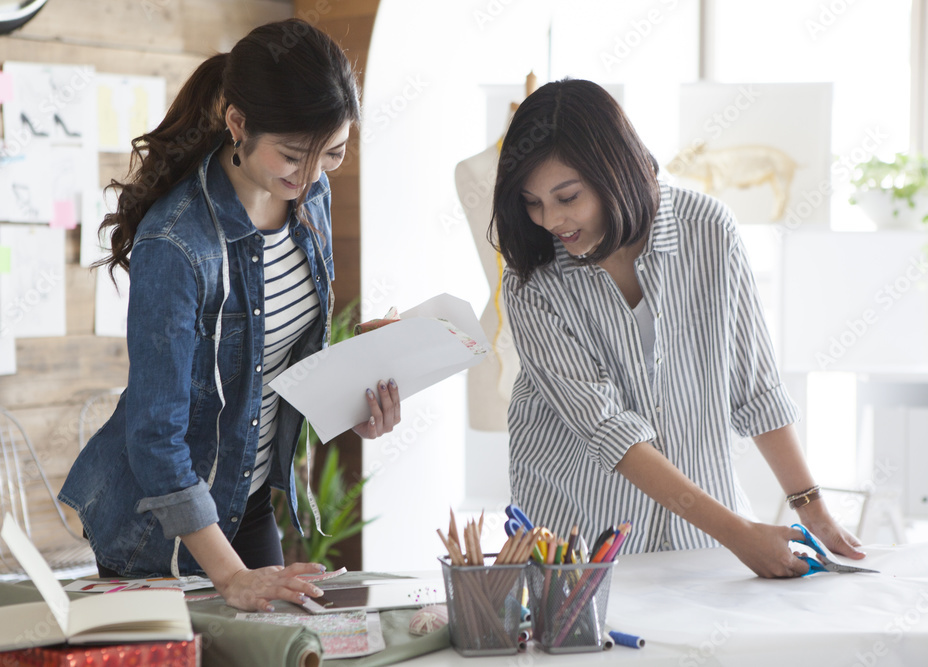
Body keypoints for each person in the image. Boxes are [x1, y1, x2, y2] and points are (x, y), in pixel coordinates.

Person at [59, 19, 400, 611]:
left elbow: (273, 360)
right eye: (294, 155)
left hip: (245, 503)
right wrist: (233, 577)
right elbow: (154, 437)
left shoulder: (307, 196)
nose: (313, 175)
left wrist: (355, 393)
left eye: (334, 153)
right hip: (157, 532)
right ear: (238, 123)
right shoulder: (177, 243)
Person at [489, 78, 864, 577]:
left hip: (703, 535)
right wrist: (738, 534)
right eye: (532, 203)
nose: (550, 220)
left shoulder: (709, 231)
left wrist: (810, 507)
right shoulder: (531, 282)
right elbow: (607, 429)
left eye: (567, 196)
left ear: (613, 172)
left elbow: (755, 386)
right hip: (579, 536)